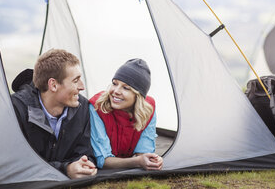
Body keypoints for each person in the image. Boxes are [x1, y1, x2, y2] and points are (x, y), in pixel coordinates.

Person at [11, 49, 97, 179]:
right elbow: (15, 165)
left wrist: (83, 165)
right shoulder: (17, 109)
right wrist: (65, 169)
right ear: (53, 85)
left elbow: (85, 153)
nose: (82, 87)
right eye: (75, 80)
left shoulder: (82, 107)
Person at [89, 58, 163, 170]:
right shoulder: (97, 106)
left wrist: (152, 159)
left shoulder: (148, 108)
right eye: (115, 83)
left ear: (138, 95)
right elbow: (102, 160)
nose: (116, 91)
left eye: (125, 88)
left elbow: (143, 152)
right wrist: (137, 161)